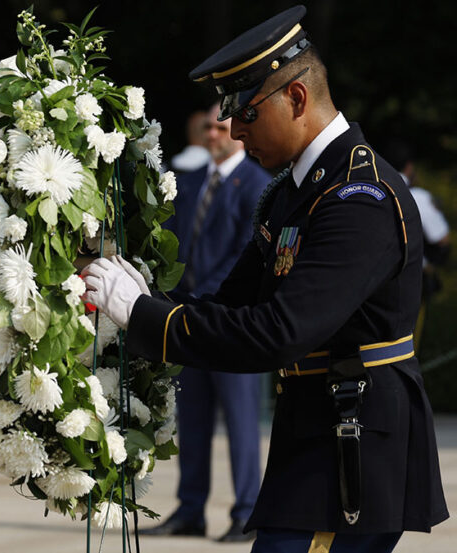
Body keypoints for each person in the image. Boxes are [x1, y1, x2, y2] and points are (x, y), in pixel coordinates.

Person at [83, 6, 448, 552]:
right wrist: (135, 295)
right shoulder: (291, 193)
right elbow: (228, 306)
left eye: (245, 113)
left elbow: (277, 332)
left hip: (349, 450)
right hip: (314, 440)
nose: (229, 130)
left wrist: (144, 315)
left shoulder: (358, 199)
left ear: (296, 99)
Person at [140, 103, 268, 542]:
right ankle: (190, 509)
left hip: (230, 320)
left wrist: (202, 299)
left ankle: (247, 511)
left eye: (220, 127)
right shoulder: (191, 181)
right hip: (189, 318)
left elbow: (246, 255)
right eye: (208, 128)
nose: (212, 135)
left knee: (240, 419)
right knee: (191, 418)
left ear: (238, 130)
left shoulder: (258, 184)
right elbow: (172, 246)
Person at [384, 142, 450, 351]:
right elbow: (442, 239)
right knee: (410, 346)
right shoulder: (418, 196)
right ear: (409, 167)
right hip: (411, 279)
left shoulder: (369, 188)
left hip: (372, 279)